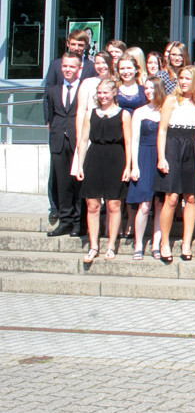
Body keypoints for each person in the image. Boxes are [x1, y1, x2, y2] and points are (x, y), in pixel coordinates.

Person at [75, 79, 131, 263]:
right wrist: (79, 165)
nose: (102, 96)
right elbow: (83, 140)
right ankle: (93, 246)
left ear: (114, 93)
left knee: (114, 205)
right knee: (92, 205)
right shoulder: (91, 114)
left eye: (106, 92)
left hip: (116, 157)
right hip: (94, 157)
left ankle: (111, 245)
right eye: (100, 93)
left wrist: (128, 166)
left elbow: (129, 142)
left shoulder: (123, 114)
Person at [154, 65, 195, 263]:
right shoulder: (171, 100)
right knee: (171, 197)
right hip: (173, 147)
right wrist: (161, 157)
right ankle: (164, 242)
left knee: (191, 197)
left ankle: (186, 242)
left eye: (188, 78)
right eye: (181, 78)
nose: (183, 82)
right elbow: (163, 130)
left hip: (191, 146)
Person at [45, 51, 84, 237]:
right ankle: (65, 221)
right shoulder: (53, 90)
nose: (67, 69)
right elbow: (50, 117)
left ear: (79, 68)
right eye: (65, 66)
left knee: (78, 183)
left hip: (78, 141)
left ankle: (78, 222)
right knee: (62, 183)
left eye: (71, 66)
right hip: (59, 141)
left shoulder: (84, 89)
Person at [126, 77, 164, 259]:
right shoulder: (139, 112)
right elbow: (134, 140)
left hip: (162, 157)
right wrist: (134, 165)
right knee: (144, 204)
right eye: (146, 88)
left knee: (160, 204)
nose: (148, 91)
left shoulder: (167, 110)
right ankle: (138, 243)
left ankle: (157, 244)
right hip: (144, 156)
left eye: (152, 88)